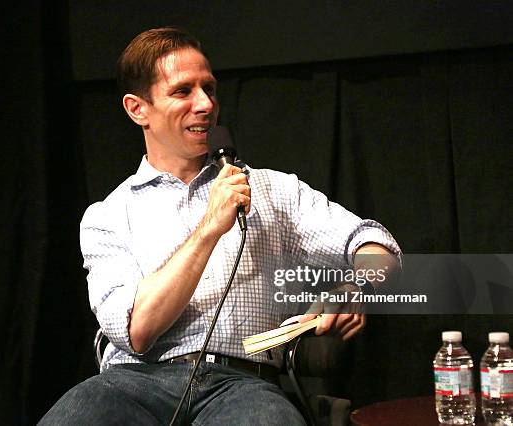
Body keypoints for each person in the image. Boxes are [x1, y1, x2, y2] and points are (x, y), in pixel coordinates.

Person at [39, 27, 401, 425]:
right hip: (134, 385)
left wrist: (358, 288)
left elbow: (375, 244)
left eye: (209, 88)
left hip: (242, 385)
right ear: (137, 108)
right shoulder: (107, 216)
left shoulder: (270, 190)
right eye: (183, 91)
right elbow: (137, 330)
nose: (205, 104)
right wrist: (210, 227)